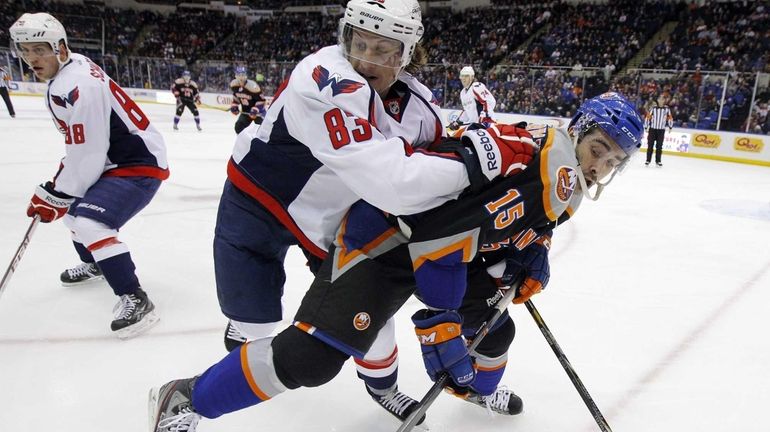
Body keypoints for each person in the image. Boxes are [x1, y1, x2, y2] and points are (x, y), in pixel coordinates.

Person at [149, 92, 643, 431]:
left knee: (495, 329)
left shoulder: (564, 174)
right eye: (598, 149)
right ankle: (187, 397)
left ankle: (471, 391)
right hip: (387, 239)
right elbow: (438, 238)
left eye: (613, 161)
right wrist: (441, 321)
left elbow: (511, 225)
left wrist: (532, 251)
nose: (600, 165)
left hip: (445, 249)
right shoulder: (534, 165)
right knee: (311, 359)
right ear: (578, 131)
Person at [187, 0, 529, 425]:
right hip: (257, 201)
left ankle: (382, 388)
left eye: (383, 50)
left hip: (331, 219)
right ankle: (214, 366)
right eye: (358, 42)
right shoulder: (321, 78)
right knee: (253, 326)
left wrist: (506, 224)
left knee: (371, 321)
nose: (365, 60)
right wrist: (480, 161)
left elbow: (437, 186)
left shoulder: (421, 108)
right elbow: (398, 185)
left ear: (407, 54)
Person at [10, 13, 168, 339]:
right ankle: (97, 263)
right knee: (71, 210)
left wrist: (60, 191)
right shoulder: (69, 72)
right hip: (116, 160)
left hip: (137, 163)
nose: (32, 58)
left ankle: (135, 298)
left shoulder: (78, 84)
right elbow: (82, 149)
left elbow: (90, 151)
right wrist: (59, 191)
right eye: (25, 51)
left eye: (40, 49)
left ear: (61, 48)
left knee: (90, 222)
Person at [449, 66, 496, 130]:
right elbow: (467, 110)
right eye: (462, 76)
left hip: (486, 125)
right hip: (474, 126)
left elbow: (488, 102)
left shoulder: (476, 86)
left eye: (466, 76)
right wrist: (458, 122)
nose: (464, 78)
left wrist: (485, 117)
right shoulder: (462, 93)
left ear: (472, 77)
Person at [229, 66, 266, 134]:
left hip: (258, 113)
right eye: (239, 75)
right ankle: (244, 143)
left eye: (243, 75)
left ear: (246, 75)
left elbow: (261, 101)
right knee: (238, 127)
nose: (241, 77)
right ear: (235, 75)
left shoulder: (252, 86)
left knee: (263, 130)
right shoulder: (234, 85)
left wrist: (255, 109)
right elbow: (236, 97)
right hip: (245, 112)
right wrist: (234, 106)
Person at [644, 99, 673, 167]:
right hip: (652, 129)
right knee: (650, 145)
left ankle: (658, 161)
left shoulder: (667, 109)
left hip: (661, 130)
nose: (661, 101)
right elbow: (648, 117)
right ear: (658, 101)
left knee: (659, 146)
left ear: (664, 101)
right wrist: (646, 126)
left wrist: (670, 126)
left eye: (662, 100)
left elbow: (670, 118)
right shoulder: (653, 108)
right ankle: (648, 160)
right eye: (660, 100)